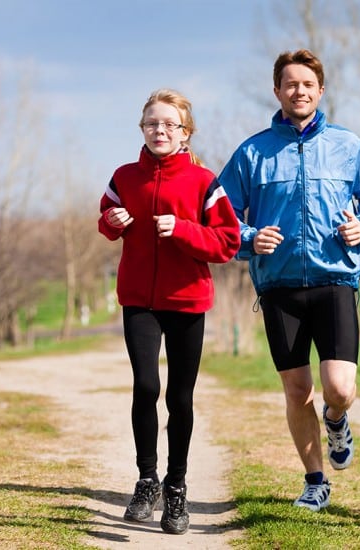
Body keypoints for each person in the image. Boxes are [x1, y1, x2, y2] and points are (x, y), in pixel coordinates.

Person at [218, 49, 360, 512]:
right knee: (297, 391)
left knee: (338, 388)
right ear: (277, 91)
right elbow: (220, 215)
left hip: (335, 278)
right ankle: (315, 481)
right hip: (278, 287)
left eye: (307, 84)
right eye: (290, 84)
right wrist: (249, 238)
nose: (299, 91)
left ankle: (337, 419)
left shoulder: (347, 145)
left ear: (320, 91)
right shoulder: (252, 152)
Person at [98, 89, 241, 535]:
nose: (159, 131)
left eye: (169, 125)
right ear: (141, 128)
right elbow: (105, 217)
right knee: (145, 385)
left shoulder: (204, 182)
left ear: (185, 132)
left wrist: (182, 230)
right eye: (151, 124)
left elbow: (227, 243)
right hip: (139, 299)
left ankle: (176, 488)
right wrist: (111, 223)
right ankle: (146, 479)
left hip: (186, 300)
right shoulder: (124, 176)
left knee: (180, 398)